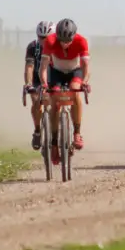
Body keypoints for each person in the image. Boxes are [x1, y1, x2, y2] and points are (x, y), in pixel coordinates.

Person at [38, 18, 91, 165]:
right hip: (56, 72)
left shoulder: (82, 41)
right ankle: (54, 143)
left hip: (75, 71)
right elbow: (43, 67)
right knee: (55, 99)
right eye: (61, 40)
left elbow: (86, 66)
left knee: (75, 92)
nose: (64, 43)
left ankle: (77, 133)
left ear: (74, 36)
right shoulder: (50, 41)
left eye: (68, 40)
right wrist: (43, 83)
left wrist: (85, 82)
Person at [24, 20, 54, 150]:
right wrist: (29, 84)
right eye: (41, 37)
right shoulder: (32, 47)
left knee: (56, 103)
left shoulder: (58, 46)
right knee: (37, 103)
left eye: (46, 38)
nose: (43, 41)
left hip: (53, 77)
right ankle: (37, 131)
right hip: (37, 79)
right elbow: (29, 67)